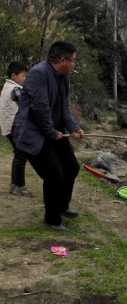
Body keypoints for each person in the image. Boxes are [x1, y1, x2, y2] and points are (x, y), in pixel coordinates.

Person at [13, 41, 84, 230]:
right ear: (62, 60)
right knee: (53, 173)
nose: (74, 64)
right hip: (34, 133)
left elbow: (64, 108)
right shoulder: (39, 73)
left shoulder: (63, 77)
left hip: (55, 131)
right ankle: (52, 219)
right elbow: (39, 108)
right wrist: (52, 132)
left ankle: (62, 207)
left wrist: (74, 128)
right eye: (73, 60)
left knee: (71, 167)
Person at [0, 61, 30, 195]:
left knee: (19, 155)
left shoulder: (7, 86)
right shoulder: (15, 89)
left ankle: (15, 185)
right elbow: (26, 103)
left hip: (8, 126)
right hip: (14, 127)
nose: (25, 78)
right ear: (13, 76)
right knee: (21, 156)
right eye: (23, 76)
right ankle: (18, 186)